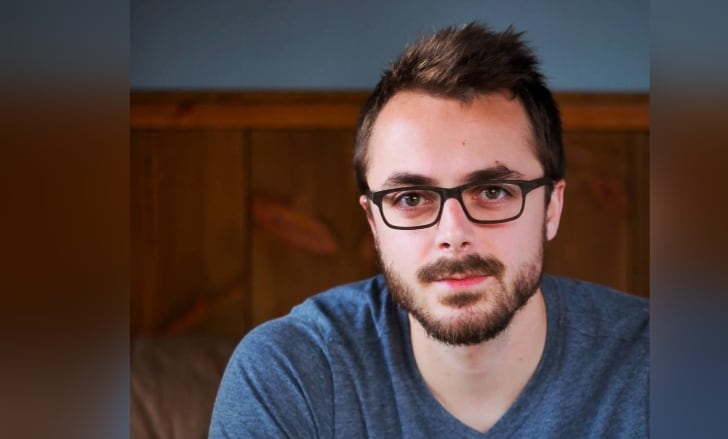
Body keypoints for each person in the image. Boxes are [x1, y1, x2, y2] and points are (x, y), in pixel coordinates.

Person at [209, 22, 648, 438]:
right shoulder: (292, 374)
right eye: (412, 199)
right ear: (374, 223)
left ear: (552, 207)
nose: (453, 233)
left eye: (493, 191)